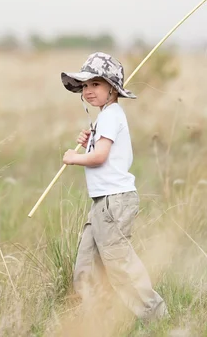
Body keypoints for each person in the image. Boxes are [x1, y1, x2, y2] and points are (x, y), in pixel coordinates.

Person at [61, 52, 167, 320]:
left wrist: (75, 158)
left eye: (95, 84)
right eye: (85, 86)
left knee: (119, 263)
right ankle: (96, 318)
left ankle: (154, 315)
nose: (88, 91)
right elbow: (101, 150)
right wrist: (89, 142)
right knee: (87, 263)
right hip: (102, 201)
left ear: (112, 88)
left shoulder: (111, 115)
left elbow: (99, 158)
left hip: (114, 201)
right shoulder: (105, 117)